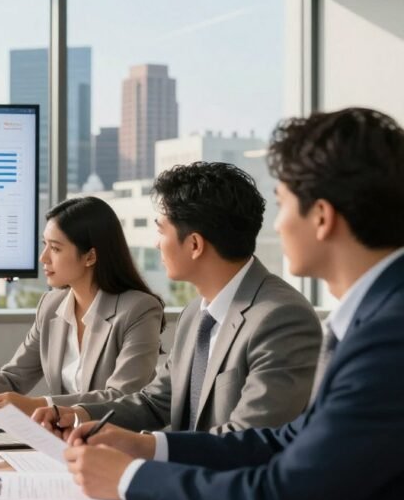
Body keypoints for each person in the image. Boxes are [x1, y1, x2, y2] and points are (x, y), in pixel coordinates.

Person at [63, 107, 404, 500]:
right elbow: (285, 441)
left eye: (282, 205)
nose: (276, 227)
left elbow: (279, 498)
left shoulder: (388, 337)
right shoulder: (374, 317)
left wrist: (131, 478)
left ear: (321, 216)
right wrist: (146, 448)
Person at [34, 162, 322, 434]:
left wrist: (147, 448)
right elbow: (155, 402)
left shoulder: (280, 317)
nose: (156, 243)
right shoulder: (196, 313)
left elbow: (248, 438)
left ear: (194, 244)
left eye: (161, 230)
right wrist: (77, 415)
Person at [0, 197, 164, 416]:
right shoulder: (51, 305)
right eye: (45, 245)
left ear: (90, 256)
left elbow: (123, 395)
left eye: (55, 248)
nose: (43, 258)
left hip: (115, 445)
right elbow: (13, 378)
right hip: (62, 440)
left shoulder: (139, 310)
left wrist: (40, 405)